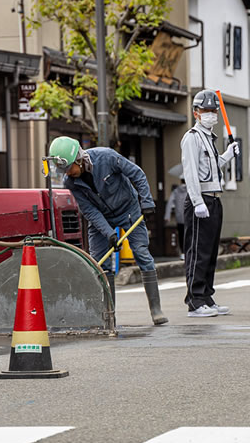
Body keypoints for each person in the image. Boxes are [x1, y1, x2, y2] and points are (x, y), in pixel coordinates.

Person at [48, 136, 167, 326]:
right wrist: (109, 233)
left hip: (129, 210)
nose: (68, 173)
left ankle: (156, 309)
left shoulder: (107, 157)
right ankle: (108, 315)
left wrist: (146, 201)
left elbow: (137, 174)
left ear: (79, 159)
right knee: (101, 264)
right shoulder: (70, 182)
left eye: (70, 168)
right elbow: (89, 211)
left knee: (142, 254)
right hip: (100, 218)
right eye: (64, 170)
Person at [181, 90, 239, 318]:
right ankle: (194, 301)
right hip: (201, 200)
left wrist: (226, 155)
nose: (211, 115)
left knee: (211, 251)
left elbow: (212, 168)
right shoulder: (192, 138)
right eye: (206, 111)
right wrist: (197, 201)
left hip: (214, 199)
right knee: (198, 251)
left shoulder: (210, 138)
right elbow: (191, 172)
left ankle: (206, 296)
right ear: (196, 113)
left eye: (214, 111)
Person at [163, 180, 188, 260]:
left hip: (179, 217)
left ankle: (183, 253)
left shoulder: (176, 191)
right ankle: (189, 252)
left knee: (181, 235)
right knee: (190, 234)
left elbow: (170, 203)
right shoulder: (190, 190)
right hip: (189, 217)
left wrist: (167, 216)